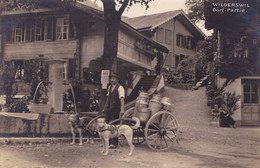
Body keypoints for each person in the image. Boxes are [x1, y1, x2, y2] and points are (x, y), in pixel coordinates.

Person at [103, 72, 125, 148]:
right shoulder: (109, 87)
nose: (112, 80)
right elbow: (108, 98)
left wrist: (122, 110)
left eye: (114, 79)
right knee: (106, 124)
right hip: (109, 108)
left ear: (117, 79)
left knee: (114, 125)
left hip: (116, 109)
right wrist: (105, 107)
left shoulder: (120, 87)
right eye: (111, 78)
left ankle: (114, 143)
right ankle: (107, 141)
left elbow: (122, 99)